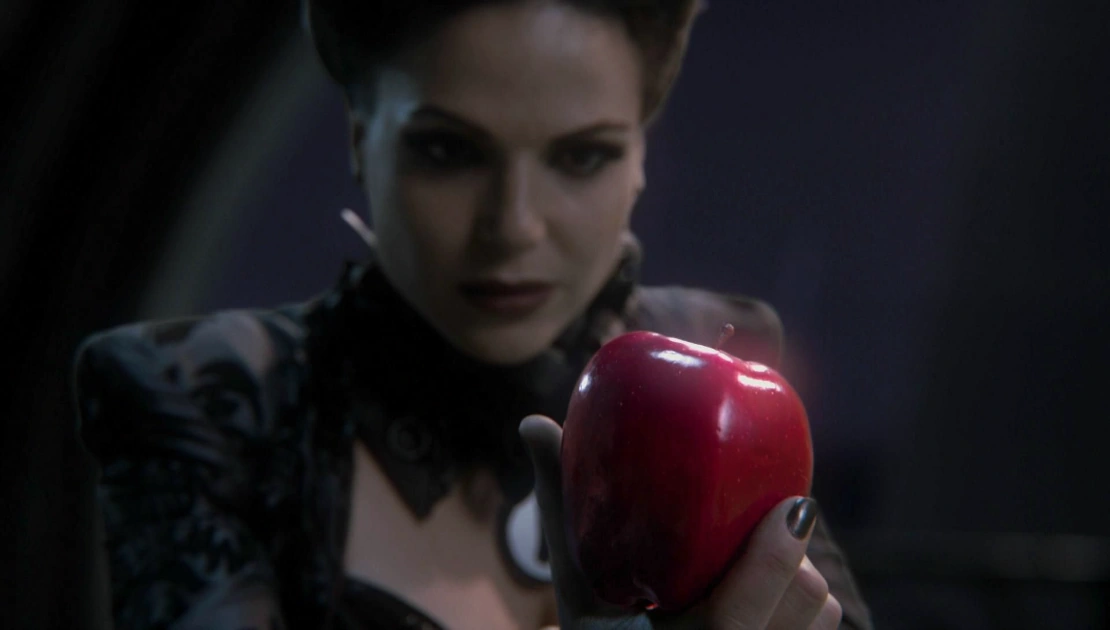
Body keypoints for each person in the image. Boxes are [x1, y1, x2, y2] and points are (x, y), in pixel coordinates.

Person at [72, 1, 874, 628]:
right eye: (448, 150)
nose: (513, 226)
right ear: (358, 139)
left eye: (582, 155)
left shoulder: (721, 358)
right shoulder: (205, 392)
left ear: (640, 159)